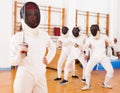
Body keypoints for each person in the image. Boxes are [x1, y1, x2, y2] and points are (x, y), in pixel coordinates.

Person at [9, 2, 56, 93]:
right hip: (25, 76)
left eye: (35, 14)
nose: (32, 17)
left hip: (41, 75)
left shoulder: (43, 35)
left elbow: (53, 48)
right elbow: (12, 61)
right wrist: (20, 56)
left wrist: (48, 59)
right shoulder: (17, 37)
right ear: (24, 17)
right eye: (29, 14)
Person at [81, 24, 114, 90]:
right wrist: (80, 47)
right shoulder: (90, 38)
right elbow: (84, 47)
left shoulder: (104, 36)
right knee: (86, 71)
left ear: (98, 31)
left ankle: (105, 83)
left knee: (110, 71)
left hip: (103, 57)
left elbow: (111, 42)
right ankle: (88, 85)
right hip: (94, 57)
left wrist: (112, 43)